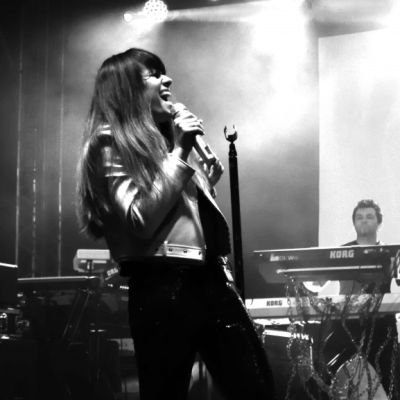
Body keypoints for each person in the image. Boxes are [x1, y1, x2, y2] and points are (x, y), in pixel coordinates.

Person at [76, 48, 275, 400]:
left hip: (212, 281)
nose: (167, 79)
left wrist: (202, 179)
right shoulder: (109, 142)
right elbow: (140, 219)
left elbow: (181, 219)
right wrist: (181, 151)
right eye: (154, 75)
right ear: (127, 90)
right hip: (163, 287)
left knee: (255, 387)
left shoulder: (164, 144)